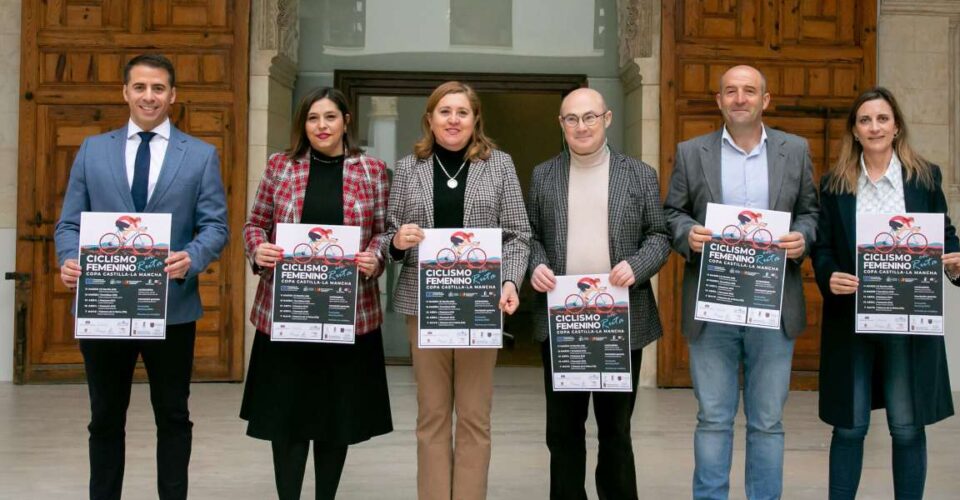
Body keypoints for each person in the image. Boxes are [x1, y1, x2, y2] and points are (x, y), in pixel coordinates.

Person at [54, 53, 229, 500]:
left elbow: (216, 226)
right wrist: (69, 258)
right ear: (125, 92)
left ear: (173, 95)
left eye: (157, 88)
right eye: (139, 87)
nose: (148, 96)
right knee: (105, 417)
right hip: (104, 308)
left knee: (172, 416)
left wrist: (192, 256)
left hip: (172, 308)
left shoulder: (201, 155)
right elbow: (70, 222)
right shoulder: (94, 150)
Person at [663, 64, 820, 500]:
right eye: (730, 91)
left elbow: (811, 212)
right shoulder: (693, 152)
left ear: (765, 100)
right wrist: (686, 234)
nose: (739, 98)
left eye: (749, 91)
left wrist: (802, 238)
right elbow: (672, 212)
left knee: (767, 422)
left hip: (774, 307)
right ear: (718, 100)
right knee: (713, 418)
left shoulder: (796, 150)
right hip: (714, 306)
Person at [811, 86, 960, 500]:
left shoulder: (924, 176)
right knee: (849, 425)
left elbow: (944, 235)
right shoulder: (834, 184)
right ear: (855, 131)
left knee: (906, 425)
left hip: (909, 321)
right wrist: (830, 277)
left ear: (896, 127)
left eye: (882, 119)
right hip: (852, 319)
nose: (874, 126)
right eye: (865, 120)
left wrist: (953, 260)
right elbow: (822, 248)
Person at [240, 87, 393, 499]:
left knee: (335, 417)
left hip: (348, 315)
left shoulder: (373, 171)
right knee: (286, 418)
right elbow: (254, 223)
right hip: (287, 312)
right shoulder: (280, 166)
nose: (321, 126)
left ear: (346, 120)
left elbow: (385, 232)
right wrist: (259, 248)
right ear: (302, 125)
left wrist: (374, 257)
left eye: (329, 117)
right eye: (312, 118)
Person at [381, 80, 530, 500]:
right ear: (429, 118)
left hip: (481, 308)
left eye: (462, 112)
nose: (453, 119)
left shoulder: (499, 165)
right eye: (444, 111)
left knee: (474, 418)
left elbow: (518, 235)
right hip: (424, 308)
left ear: (475, 118)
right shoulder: (409, 167)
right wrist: (399, 240)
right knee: (431, 417)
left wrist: (510, 280)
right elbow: (387, 234)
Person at [527, 87, 670, 500]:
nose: (581, 126)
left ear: (607, 119)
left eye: (589, 117)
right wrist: (535, 264)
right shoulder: (543, 175)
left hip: (620, 322)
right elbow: (531, 236)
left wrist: (638, 267)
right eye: (571, 119)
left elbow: (658, 236)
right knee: (562, 431)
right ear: (561, 124)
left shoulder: (638, 174)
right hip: (563, 322)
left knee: (615, 431)